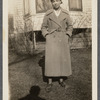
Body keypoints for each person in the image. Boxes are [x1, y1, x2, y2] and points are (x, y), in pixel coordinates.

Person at [41, 0, 73, 92]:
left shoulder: (65, 13)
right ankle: (49, 82)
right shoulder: (48, 14)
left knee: (61, 59)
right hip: (52, 38)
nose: (55, 3)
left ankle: (61, 80)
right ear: (52, 3)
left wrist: (67, 35)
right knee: (51, 60)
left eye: (57, 1)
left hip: (62, 38)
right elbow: (43, 27)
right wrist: (47, 35)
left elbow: (70, 26)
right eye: (53, 1)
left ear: (60, 2)